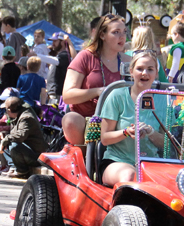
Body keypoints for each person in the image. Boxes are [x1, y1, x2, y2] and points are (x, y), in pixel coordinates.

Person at [98, 52, 167, 185]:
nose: (144, 73)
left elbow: (167, 145)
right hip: (118, 161)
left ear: (156, 73)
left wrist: (151, 132)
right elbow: (105, 139)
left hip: (151, 164)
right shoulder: (117, 96)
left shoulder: (163, 99)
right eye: (139, 69)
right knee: (130, 176)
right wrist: (127, 132)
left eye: (150, 69)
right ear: (131, 71)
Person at [61, 14, 127, 145]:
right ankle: (87, 158)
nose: (122, 37)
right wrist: (98, 91)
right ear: (102, 35)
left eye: (124, 32)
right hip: (88, 120)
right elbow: (67, 96)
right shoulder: (85, 56)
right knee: (70, 120)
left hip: (118, 121)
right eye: (116, 32)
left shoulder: (129, 62)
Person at [0, 96, 49, 179]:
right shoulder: (16, 115)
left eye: (5, 110)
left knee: (14, 145)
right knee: (3, 139)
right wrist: (3, 134)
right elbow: (13, 132)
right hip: (25, 151)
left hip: (35, 155)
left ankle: (22, 171)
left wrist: (6, 139)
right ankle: (13, 167)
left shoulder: (27, 118)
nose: (5, 112)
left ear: (9, 110)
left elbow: (20, 136)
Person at [46, 31, 73, 101]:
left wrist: (36, 55)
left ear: (62, 42)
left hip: (56, 94)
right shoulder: (59, 55)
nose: (53, 44)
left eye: (55, 41)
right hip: (52, 93)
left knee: (54, 111)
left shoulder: (64, 55)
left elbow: (54, 61)